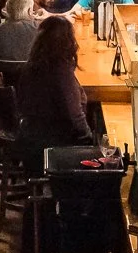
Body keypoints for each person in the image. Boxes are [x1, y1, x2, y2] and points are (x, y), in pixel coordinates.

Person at [12, 15, 90, 156]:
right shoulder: (60, 71)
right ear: (68, 41)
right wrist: (89, 139)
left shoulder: (29, 67)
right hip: (56, 147)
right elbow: (74, 115)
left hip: (30, 139)